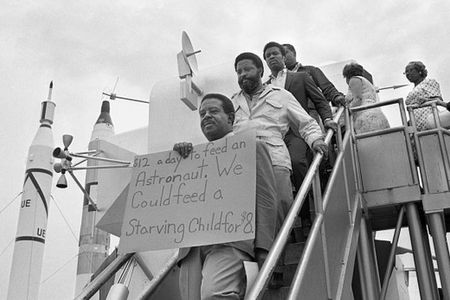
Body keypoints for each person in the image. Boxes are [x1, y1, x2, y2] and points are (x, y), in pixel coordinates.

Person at [174, 93, 278, 300]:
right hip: (192, 250)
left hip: (231, 242)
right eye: (202, 113)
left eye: (213, 111)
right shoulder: (192, 158)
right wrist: (177, 161)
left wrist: (264, 247)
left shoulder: (252, 148)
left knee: (217, 296)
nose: (206, 116)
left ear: (230, 119)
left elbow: (266, 199)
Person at [231, 51, 327, 232]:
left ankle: (277, 255)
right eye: (238, 71)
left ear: (260, 70)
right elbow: (222, 134)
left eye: (247, 69)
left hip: (274, 159)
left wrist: (315, 140)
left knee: (279, 207)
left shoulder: (281, 95)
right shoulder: (232, 102)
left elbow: (306, 123)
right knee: (247, 214)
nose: (242, 74)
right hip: (241, 165)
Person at [263, 41, 336, 194]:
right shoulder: (265, 87)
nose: (271, 57)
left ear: (283, 57)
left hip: (298, 131)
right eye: (268, 56)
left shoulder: (301, 76)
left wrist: (327, 118)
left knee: (296, 163)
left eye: (275, 53)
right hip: (276, 135)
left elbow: (319, 100)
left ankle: (309, 204)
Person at [283, 43, 346, 107]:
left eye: (285, 52)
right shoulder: (280, 78)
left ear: (294, 53)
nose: (284, 56)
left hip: (311, 112)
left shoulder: (310, 70)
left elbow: (327, 87)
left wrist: (336, 96)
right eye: (281, 55)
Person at [342, 62, 390, 134]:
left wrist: (346, 112)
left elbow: (358, 99)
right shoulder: (366, 82)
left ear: (347, 75)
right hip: (375, 113)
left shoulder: (354, 80)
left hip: (365, 116)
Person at [404, 61, 443, 131]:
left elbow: (438, 100)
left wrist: (425, 100)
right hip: (416, 124)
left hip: (429, 120)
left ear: (420, 71)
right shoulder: (413, 90)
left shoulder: (429, 82)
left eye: (411, 70)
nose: (408, 73)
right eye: (406, 72)